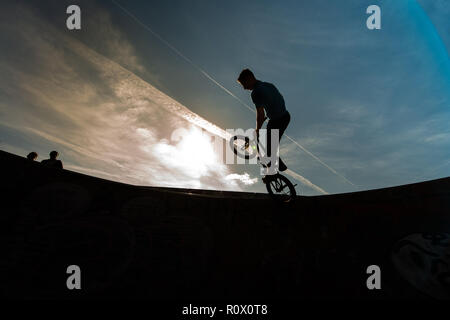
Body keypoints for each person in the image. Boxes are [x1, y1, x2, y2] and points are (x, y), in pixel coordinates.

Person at [237, 68, 290, 180]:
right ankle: (275, 164)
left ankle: (272, 172)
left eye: (244, 84)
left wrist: (257, 129)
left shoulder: (256, 93)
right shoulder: (269, 85)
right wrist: (272, 112)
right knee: (268, 146)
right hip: (284, 116)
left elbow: (260, 114)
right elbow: (279, 99)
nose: (245, 88)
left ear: (250, 78)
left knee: (265, 148)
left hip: (277, 121)